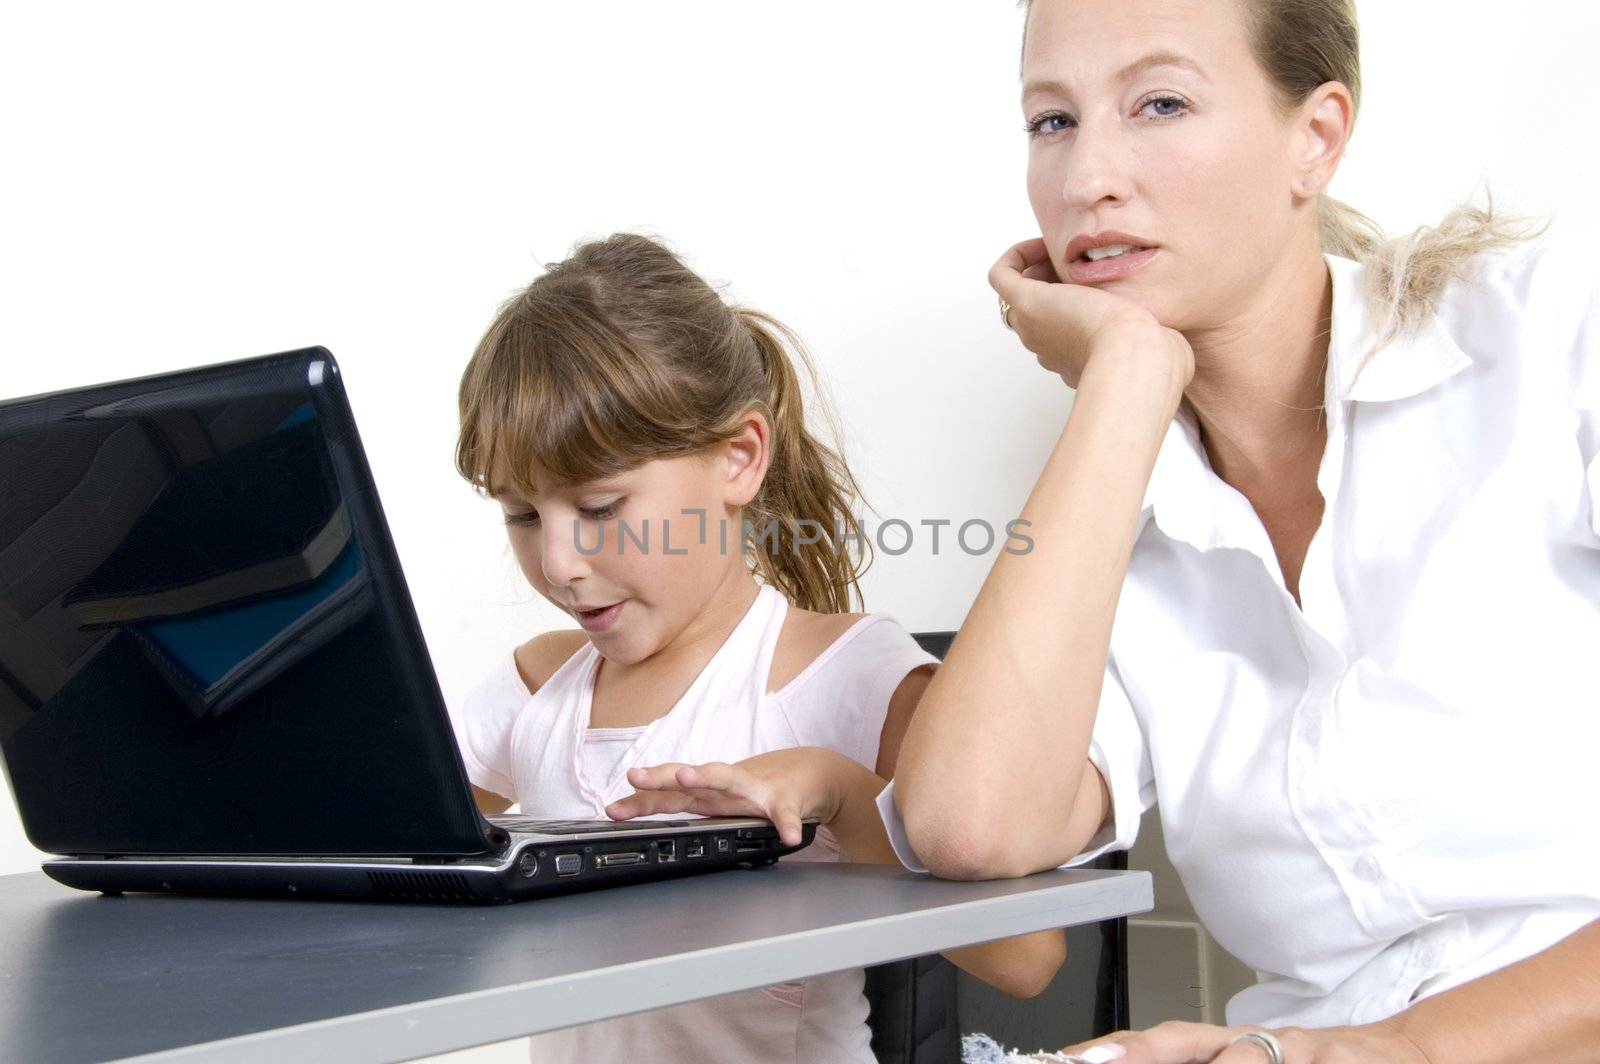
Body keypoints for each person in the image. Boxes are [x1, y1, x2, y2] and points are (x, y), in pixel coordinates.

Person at [612, 1, 1600, 1060]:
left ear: (1313, 138)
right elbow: (968, 827)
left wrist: (1388, 1048)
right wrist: (1125, 379)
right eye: (1051, 121)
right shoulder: (1112, 510)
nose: (1087, 180)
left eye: (1160, 103)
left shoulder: (1550, 344)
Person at [450, 232, 1065, 1063]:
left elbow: (1027, 960)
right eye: (523, 515)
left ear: (739, 459)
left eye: (599, 507)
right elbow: (372, 867)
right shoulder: (535, 688)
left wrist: (846, 797)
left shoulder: (848, 677)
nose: (558, 563)